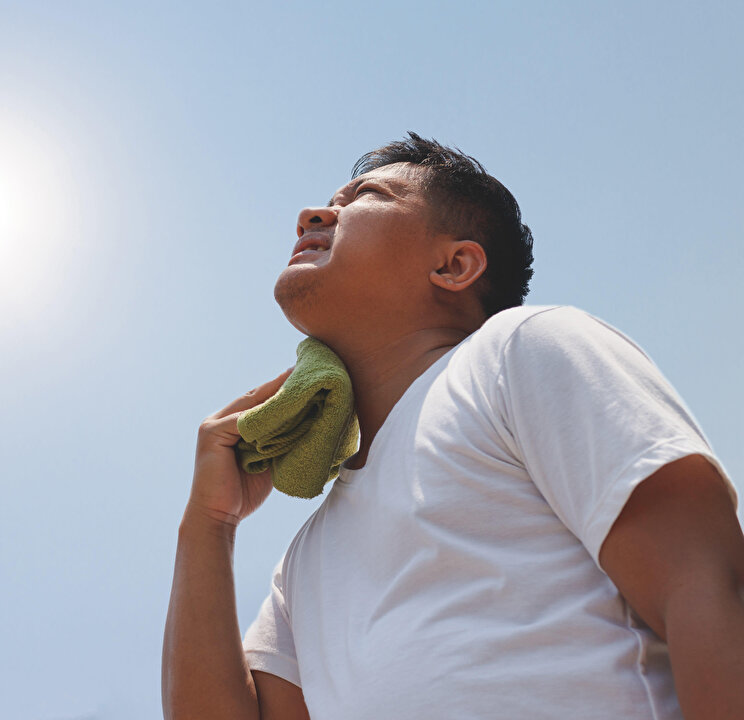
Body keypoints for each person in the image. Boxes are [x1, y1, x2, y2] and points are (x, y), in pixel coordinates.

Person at [161, 133, 744, 720]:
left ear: (454, 264)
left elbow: (707, 581)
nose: (312, 215)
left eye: (365, 196)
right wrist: (209, 523)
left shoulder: (521, 351)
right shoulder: (305, 563)